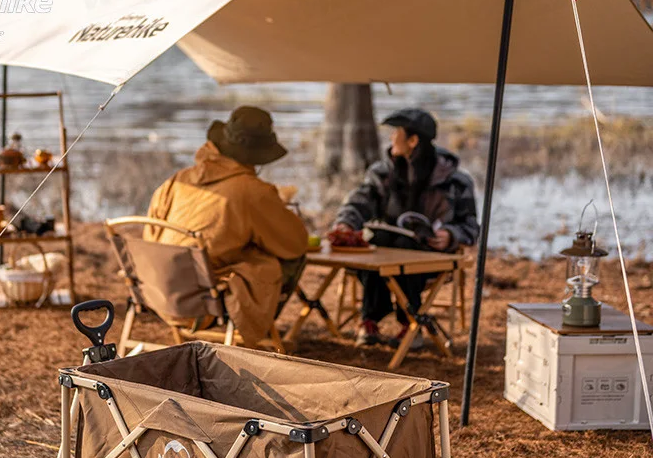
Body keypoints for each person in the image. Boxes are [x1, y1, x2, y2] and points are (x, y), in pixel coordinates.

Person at [145, 106, 308, 346]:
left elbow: (151, 235)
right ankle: (261, 330)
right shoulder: (251, 190)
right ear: (259, 155)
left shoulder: (178, 179)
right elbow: (295, 243)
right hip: (201, 305)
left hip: (156, 292)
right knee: (286, 258)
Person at [333, 108, 479, 348]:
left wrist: (451, 235)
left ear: (413, 141)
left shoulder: (456, 181)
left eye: (396, 134)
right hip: (384, 250)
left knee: (404, 247)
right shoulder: (382, 172)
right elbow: (358, 202)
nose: (391, 139)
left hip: (431, 255)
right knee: (375, 244)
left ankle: (410, 323)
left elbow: (471, 227)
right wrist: (345, 224)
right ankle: (372, 320)